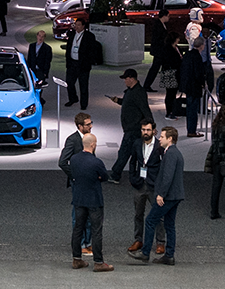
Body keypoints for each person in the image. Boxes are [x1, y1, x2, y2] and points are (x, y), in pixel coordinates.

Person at [130, 126, 183, 264]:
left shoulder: (170, 154)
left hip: (168, 196)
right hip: (175, 195)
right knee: (169, 224)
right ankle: (169, 255)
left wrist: (161, 194)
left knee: (150, 220)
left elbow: (167, 176)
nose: (159, 139)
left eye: (162, 137)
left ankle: (145, 252)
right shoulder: (175, 152)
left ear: (170, 139)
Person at [68, 132, 114, 271]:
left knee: (78, 229)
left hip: (78, 199)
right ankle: (98, 262)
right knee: (96, 231)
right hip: (94, 200)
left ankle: (76, 259)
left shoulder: (74, 159)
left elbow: (73, 173)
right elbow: (104, 177)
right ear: (93, 145)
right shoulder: (96, 162)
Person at [108, 68, 154, 184]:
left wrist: (151, 126)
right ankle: (142, 176)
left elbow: (145, 109)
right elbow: (129, 103)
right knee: (136, 154)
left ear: (132, 79)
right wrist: (118, 101)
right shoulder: (131, 91)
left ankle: (115, 175)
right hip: (131, 127)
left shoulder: (138, 92)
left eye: (126, 79)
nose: (125, 81)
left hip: (133, 128)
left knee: (124, 152)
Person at [124, 119, 163, 255]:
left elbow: (163, 166)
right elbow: (133, 161)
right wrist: (132, 178)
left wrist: (161, 184)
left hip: (154, 185)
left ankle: (160, 242)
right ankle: (138, 240)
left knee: (158, 214)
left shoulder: (159, 146)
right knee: (138, 214)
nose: (145, 132)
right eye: (143, 130)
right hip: (139, 184)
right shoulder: (137, 143)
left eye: (148, 130)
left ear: (154, 131)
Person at [59, 113, 95, 256]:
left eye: (91, 123)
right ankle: (80, 244)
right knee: (79, 215)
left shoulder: (89, 138)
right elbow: (62, 162)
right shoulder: (73, 140)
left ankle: (88, 242)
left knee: (90, 214)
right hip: (78, 184)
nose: (91, 126)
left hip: (89, 183)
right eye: (88, 124)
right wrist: (75, 176)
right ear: (80, 126)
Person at [179, 36, 212, 137]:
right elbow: (198, 73)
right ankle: (192, 130)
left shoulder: (188, 54)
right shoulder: (197, 57)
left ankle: (191, 129)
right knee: (193, 109)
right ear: (201, 46)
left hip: (187, 85)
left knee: (190, 108)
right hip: (194, 86)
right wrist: (203, 82)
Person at [64, 17, 99, 109]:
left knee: (83, 85)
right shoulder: (72, 34)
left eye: (79, 25)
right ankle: (73, 98)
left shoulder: (89, 36)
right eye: (76, 25)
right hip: (72, 63)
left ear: (83, 26)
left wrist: (89, 62)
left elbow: (92, 51)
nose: (77, 27)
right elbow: (68, 48)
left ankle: (83, 104)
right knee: (69, 82)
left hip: (83, 65)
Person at [142, 8, 172, 91]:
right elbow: (159, 39)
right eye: (168, 16)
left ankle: (166, 84)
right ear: (164, 16)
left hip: (160, 51)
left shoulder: (160, 24)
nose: (169, 18)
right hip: (159, 51)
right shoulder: (158, 26)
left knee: (160, 67)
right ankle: (148, 85)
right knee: (156, 68)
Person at [155, 31, 183, 118]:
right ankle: (169, 112)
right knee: (170, 93)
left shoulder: (177, 48)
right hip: (169, 73)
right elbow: (168, 60)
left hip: (176, 73)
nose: (179, 40)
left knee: (173, 93)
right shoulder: (167, 49)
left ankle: (172, 110)